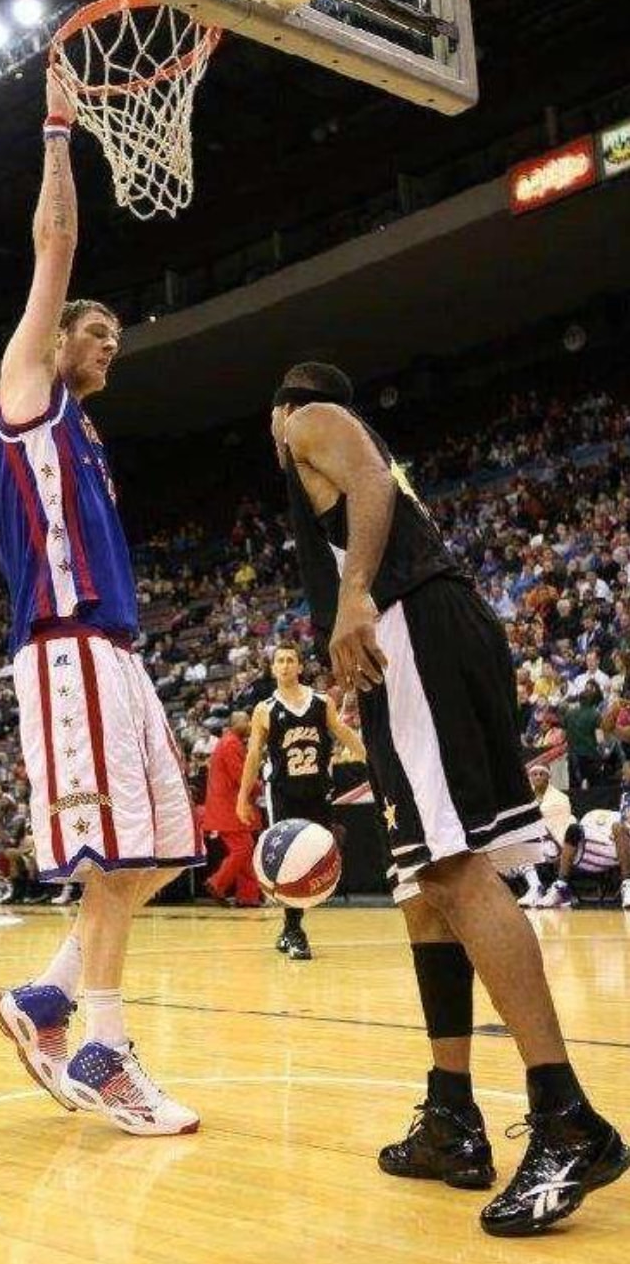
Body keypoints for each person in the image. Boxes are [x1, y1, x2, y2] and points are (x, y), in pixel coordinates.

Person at [269, 360, 628, 1237]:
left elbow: (360, 481)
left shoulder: (306, 420)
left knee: (455, 871)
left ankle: (564, 1117)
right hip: (410, 642)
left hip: (411, 627)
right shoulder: (347, 459)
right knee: (422, 886)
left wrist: (353, 598)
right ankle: (452, 1115)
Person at [0, 70, 203, 1137]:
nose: (107, 346)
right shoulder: (28, 394)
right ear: (55, 342)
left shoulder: (89, 436)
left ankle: (46, 998)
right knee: (115, 854)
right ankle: (106, 1050)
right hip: (66, 649)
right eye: (94, 334)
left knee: (163, 846)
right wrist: (61, 131)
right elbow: (55, 248)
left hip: (115, 651)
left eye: (119, 339)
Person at [236, 644, 365, 958]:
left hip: (318, 790)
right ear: (273, 669)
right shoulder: (265, 709)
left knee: (317, 856)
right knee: (290, 860)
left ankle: (288, 928)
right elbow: (253, 755)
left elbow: (341, 731)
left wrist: (367, 757)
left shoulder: (322, 702)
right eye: (279, 660)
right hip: (283, 793)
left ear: (299, 667)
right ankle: (294, 930)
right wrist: (243, 797)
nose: (284, 665)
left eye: (290, 660)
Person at [535, 760, 630, 910]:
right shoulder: (625, 795)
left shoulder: (558, 799)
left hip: (623, 842)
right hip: (611, 845)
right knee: (574, 830)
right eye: (623, 773)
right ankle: (561, 887)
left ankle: (627, 884)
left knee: (619, 828)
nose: (623, 777)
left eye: (626, 773)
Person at [202, 712, 263, 908]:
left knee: (244, 851)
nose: (250, 724)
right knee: (243, 849)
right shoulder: (231, 744)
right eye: (246, 720)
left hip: (229, 807)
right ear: (235, 723)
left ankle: (248, 897)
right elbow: (242, 776)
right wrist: (258, 786)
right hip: (229, 808)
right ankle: (216, 883)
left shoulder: (229, 742)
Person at [516, 764, 574, 907]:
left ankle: (536, 888)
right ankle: (535, 887)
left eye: (542, 774)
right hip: (529, 841)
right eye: (534, 774)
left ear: (549, 777)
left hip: (553, 843)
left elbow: (561, 826)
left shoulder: (561, 798)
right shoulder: (524, 798)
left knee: (525, 845)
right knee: (512, 847)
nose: (538, 777)